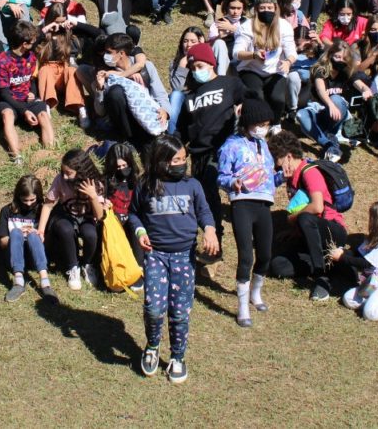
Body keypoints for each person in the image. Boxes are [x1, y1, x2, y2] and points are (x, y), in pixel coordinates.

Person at [129, 134, 219, 384]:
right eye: (176, 159)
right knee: (154, 308)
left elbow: (204, 211)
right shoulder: (146, 184)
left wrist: (209, 230)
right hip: (155, 255)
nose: (182, 163)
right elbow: (134, 214)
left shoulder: (192, 185)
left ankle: (177, 356)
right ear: (162, 161)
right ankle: (152, 346)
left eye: (184, 159)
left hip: (184, 257)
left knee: (180, 311)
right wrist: (140, 232)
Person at [177, 42, 245, 249]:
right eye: (193, 68)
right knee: (206, 198)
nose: (197, 71)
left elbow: (251, 101)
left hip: (223, 148)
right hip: (198, 153)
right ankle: (215, 239)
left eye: (200, 66)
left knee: (228, 191)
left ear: (211, 63)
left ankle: (225, 238)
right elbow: (181, 128)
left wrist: (243, 108)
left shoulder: (230, 83)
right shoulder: (190, 97)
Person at [268, 130, 348, 301]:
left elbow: (316, 207)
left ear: (288, 157)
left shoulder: (309, 171)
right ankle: (335, 264)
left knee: (304, 217)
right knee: (277, 266)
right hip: (312, 235)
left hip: (332, 231)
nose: (277, 168)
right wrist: (294, 232)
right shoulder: (292, 178)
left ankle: (322, 278)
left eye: (278, 163)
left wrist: (291, 219)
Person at [216, 99, 275, 327]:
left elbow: (268, 175)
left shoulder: (264, 145)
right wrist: (233, 182)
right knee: (245, 256)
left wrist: (282, 176)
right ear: (249, 122)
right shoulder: (231, 145)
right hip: (242, 203)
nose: (264, 127)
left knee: (265, 253)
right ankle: (242, 306)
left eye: (267, 124)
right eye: (260, 123)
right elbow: (221, 176)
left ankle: (256, 292)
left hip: (264, 203)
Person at [37, 149, 105, 290]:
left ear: (81, 172)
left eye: (69, 173)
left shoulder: (96, 184)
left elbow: (100, 216)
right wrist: (41, 230)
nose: (66, 177)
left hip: (87, 218)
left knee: (90, 234)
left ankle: (87, 264)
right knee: (65, 229)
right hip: (65, 215)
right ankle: (73, 267)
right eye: (64, 172)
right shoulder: (60, 180)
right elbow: (48, 205)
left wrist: (93, 196)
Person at [297, 39, 371, 162]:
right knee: (301, 114)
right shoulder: (320, 69)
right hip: (320, 109)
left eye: (343, 58)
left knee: (336, 99)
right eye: (337, 56)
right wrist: (330, 105)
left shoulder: (346, 72)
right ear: (330, 54)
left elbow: (359, 84)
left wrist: (365, 90)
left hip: (338, 113)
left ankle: (330, 135)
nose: (340, 61)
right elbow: (320, 89)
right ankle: (328, 143)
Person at [92, 33, 170, 149]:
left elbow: (160, 94)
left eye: (109, 52)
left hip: (145, 116)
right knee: (115, 92)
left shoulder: (146, 67)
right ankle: (128, 139)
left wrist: (165, 111)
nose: (105, 56)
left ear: (121, 53)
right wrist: (100, 89)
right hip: (124, 122)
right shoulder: (105, 74)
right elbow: (100, 111)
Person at [233, 0, 299, 122]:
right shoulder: (246, 27)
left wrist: (288, 62)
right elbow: (236, 53)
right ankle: (259, 123)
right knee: (257, 96)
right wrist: (253, 55)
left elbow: (292, 51)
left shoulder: (284, 26)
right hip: (251, 69)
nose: (266, 10)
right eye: (262, 8)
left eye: (269, 7)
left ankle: (275, 123)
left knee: (277, 98)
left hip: (276, 70)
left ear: (275, 8)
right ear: (257, 9)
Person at [0, 20, 53, 164]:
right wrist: (24, 111)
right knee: (7, 116)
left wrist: (33, 92)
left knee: (44, 115)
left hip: (27, 98)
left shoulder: (31, 57)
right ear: (24, 44)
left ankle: (51, 152)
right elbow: (4, 93)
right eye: (32, 41)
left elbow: (31, 79)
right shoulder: (3, 61)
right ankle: (17, 156)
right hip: (10, 99)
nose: (35, 43)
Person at [0, 175, 59, 303]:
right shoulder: (7, 211)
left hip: (35, 256)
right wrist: (18, 235)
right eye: (25, 200)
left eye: (32, 200)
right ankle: (18, 282)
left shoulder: (42, 211)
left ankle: (45, 282)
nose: (29, 204)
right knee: (15, 232)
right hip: (14, 257)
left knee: (33, 235)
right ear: (18, 196)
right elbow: (3, 243)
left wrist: (36, 233)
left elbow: (50, 240)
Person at [37, 4, 90, 128]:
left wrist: (75, 24)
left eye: (62, 22)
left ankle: (80, 108)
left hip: (63, 71)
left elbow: (96, 33)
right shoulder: (42, 32)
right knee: (44, 70)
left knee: (72, 71)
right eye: (56, 22)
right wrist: (46, 29)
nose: (59, 26)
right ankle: (46, 104)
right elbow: (30, 40)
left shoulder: (68, 33)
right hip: (48, 73)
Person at [100, 142, 144, 289]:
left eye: (124, 166)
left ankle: (138, 270)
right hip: (115, 221)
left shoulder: (137, 181)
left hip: (132, 218)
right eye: (118, 167)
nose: (121, 170)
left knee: (136, 227)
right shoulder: (106, 181)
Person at [165, 27, 205, 134]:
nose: (188, 45)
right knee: (175, 95)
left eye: (193, 41)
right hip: (182, 101)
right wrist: (182, 66)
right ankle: (171, 136)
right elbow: (176, 88)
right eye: (185, 41)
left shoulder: (207, 62)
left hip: (200, 99)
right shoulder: (176, 63)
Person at [207, 0, 252, 75]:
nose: (235, 12)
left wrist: (233, 29)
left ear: (243, 8)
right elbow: (209, 46)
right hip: (224, 62)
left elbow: (255, 40)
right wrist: (219, 37)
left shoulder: (248, 23)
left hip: (242, 61)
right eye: (232, 8)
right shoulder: (218, 23)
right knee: (219, 43)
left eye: (239, 8)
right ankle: (222, 79)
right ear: (227, 7)